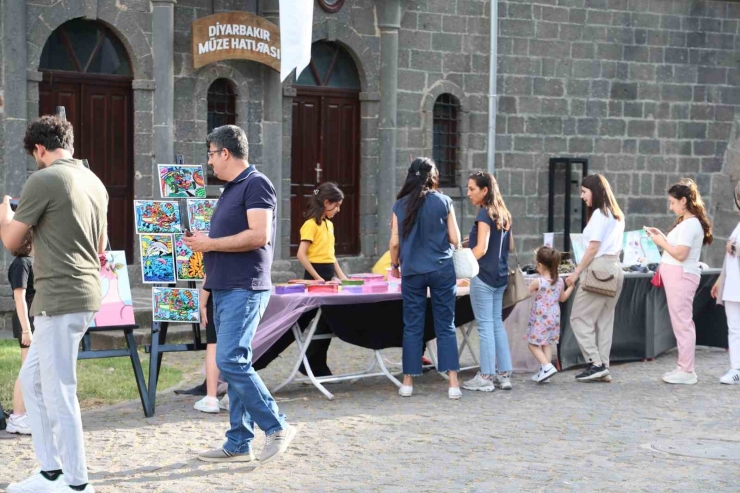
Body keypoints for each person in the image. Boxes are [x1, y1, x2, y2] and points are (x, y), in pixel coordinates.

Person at [3, 115, 108, 493]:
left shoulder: (43, 178)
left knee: (59, 389)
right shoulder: (93, 181)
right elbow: (100, 247)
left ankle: (77, 484)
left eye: (34, 153)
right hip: (80, 293)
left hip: (60, 298)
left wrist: (5, 214)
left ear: (40, 149)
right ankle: (51, 473)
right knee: (33, 384)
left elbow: (13, 242)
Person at [183, 124, 295, 464]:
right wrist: (206, 285)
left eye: (212, 154)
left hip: (245, 288)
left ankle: (276, 425)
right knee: (234, 361)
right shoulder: (232, 189)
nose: (210, 161)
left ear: (226, 153)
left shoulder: (256, 183)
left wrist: (209, 244)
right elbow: (228, 240)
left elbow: (258, 235)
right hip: (224, 287)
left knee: (230, 360)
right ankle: (238, 442)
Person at [390, 157, 462, 400]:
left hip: (412, 270)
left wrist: (394, 265)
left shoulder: (400, 205)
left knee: (412, 325)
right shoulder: (444, 201)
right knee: (446, 324)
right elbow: (455, 238)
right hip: (441, 268)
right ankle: (453, 384)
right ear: (433, 177)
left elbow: (394, 243)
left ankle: (408, 382)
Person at [646, 179, 713, 385]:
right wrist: (663, 238)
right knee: (680, 321)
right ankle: (684, 367)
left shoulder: (690, 224)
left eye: (673, 202)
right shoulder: (687, 223)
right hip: (678, 274)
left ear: (684, 200)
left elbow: (681, 254)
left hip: (681, 275)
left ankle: (687, 370)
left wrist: (660, 241)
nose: (671, 206)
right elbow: (678, 249)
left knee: (682, 322)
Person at [566, 174, 625, 383]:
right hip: (615, 268)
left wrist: (575, 273)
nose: (581, 196)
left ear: (595, 191)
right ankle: (603, 365)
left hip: (599, 269)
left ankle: (595, 363)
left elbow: (593, 247)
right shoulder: (617, 215)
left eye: (584, 191)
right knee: (604, 320)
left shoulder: (600, 214)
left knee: (579, 317)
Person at [462, 171, 515, 392]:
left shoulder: (484, 215)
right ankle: (504, 374)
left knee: (484, 326)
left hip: (483, 276)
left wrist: (460, 261)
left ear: (485, 190)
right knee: (495, 324)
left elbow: (481, 250)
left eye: (472, 188)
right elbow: (509, 246)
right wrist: (469, 241)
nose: (468, 193)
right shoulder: (503, 214)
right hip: (500, 276)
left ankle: (485, 376)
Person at [294, 182, 347, 377]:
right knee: (313, 320)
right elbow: (301, 254)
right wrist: (317, 279)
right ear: (326, 202)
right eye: (337, 205)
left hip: (327, 277)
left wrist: (343, 278)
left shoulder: (329, 225)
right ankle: (312, 364)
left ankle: (314, 364)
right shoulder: (310, 224)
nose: (339, 210)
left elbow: (331, 256)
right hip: (315, 277)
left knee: (325, 321)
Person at [526, 246, 574, 383]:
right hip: (554, 317)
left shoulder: (538, 282)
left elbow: (525, 293)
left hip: (540, 318)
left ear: (540, 265)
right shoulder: (559, 281)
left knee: (532, 344)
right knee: (546, 343)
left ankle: (547, 366)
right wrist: (571, 286)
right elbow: (563, 298)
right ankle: (545, 372)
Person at [6, 229, 35, 435]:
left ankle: (27, 413)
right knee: (26, 369)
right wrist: (26, 329)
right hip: (27, 322)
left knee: (33, 369)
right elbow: (20, 298)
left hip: (34, 320)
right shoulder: (21, 264)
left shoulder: (29, 263)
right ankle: (17, 416)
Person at [711, 182, 740, 385]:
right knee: (734, 328)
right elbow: (728, 257)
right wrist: (721, 279)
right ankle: (736, 367)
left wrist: (734, 246)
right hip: (733, 283)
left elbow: (733, 248)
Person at [193, 291, 229, 413]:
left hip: (217, 294)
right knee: (236, 344)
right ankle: (232, 396)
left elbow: (209, 275)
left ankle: (211, 399)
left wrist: (202, 304)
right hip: (244, 293)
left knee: (214, 344)